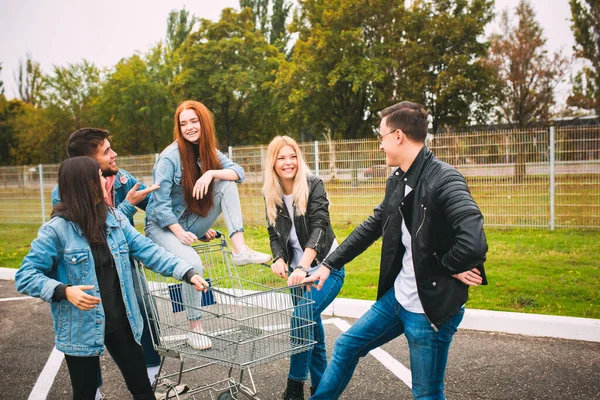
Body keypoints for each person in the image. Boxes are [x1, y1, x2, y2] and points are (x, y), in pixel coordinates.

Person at [304, 101, 488, 400]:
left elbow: (473, 242)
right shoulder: (398, 179)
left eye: (382, 136)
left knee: (427, 394)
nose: (380, 145)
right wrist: (328, 264)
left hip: (428, 310)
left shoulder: (445, 179)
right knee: (347, 345)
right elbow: (371, 227)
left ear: (399, 136)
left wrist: (446, 265)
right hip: (398, 299)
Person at [16, 157, 210, 400]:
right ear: (84, 184)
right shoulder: (55, 231)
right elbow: (26, 275)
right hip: (81, 330)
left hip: (123, 322)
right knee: (85, 394)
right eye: (99, 176)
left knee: (142, 390)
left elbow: (150, 251)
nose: (105, 180)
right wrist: (64, 291)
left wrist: (187, 272)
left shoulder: (114, 219)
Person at [51, 128, 188, 399]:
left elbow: (153, 211)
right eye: (106, 152)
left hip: (121, 268)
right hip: (87, 291)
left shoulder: (122, 177)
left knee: (142, 313)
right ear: (87, 163)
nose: (114, 155)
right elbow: (88, 234)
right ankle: (94, 390)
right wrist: (126, 206)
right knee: (88, 351)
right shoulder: (64, 195)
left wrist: (183, 229)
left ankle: (150, 378)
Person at [145, 100, 271, 349]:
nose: (189, 127)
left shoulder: (208, 151)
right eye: (183, 124)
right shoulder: (169, 158)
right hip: (162, 228)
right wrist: (180, 232)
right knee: (192, 264)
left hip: (190, 223)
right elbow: (158, 206)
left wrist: (211, 173)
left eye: (194, 121)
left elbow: (239, 172)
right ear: (178, 128)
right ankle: (196, 328)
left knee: (226, 183)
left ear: (203, 123)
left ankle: (239, 250)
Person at [262, 136, 345, 400]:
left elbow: (320, 226)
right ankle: (323, 392)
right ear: (273, 163)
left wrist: (302, 266)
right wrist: (278, 258)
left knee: (301, 318)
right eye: (281, 157)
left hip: (324, 268)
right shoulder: (271, 193)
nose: (288, 163)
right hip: (297, 275)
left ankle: (294, 388)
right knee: (313, 336)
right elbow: (273, 232)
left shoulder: (313, 185)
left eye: (292, 156)